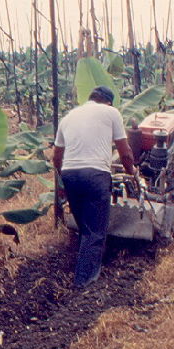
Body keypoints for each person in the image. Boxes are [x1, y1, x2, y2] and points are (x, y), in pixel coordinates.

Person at [52, 86, 138, 288]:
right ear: (108, 102)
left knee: (85, 228)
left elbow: (56, 156)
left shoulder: (68, 117)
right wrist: (131, 171)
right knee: (95, 232)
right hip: (96, 175)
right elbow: (124, 150)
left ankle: (86, 265)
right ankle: (84, 283)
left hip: (70, 175)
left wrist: (62, 181)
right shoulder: (111, 113)